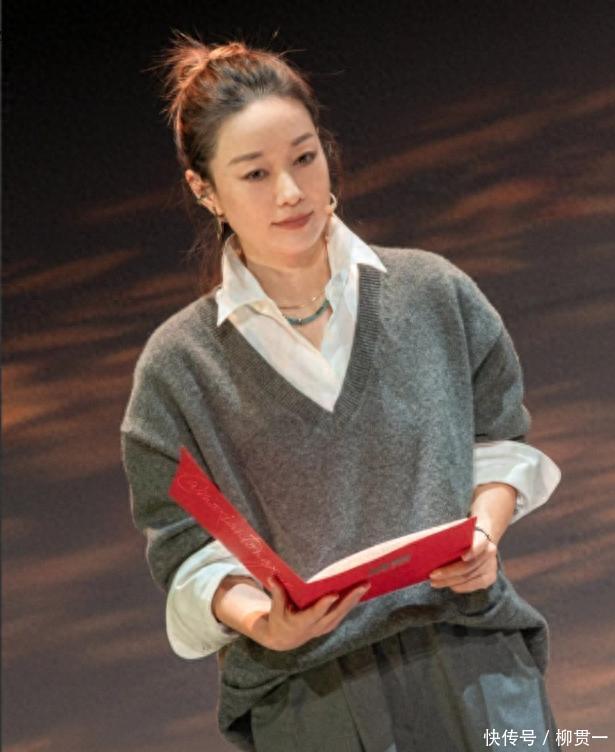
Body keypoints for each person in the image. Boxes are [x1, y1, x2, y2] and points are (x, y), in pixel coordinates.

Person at [120, 32, 563, 751]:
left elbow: (497, 438)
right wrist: (263, 621)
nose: (290, 191)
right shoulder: (179, 369)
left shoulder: (431, 293)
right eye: (255, 173)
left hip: (473, 661)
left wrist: (484, 533)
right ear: (205, 190)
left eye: (303, 157)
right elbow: (184, 547)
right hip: (312, 697)